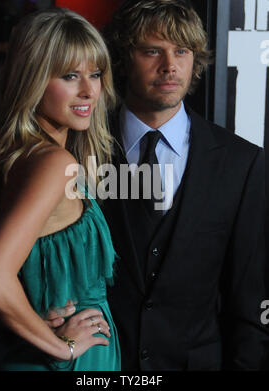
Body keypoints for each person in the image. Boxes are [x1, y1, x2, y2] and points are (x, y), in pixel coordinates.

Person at [100, 0, 268, 370]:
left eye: (182, 51)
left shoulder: (241, 163)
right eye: (152, 51)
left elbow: (250, 303)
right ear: (126, 57)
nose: (170, 66)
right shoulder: (81, 150)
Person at [0, 8, 121, 371]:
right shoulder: (54, 165)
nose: (89, 90)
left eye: (96, 74)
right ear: (33, 79)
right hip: (67, 362)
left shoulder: (4, 159)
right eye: (70, 76)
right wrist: (62, 347)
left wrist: (37, 321)